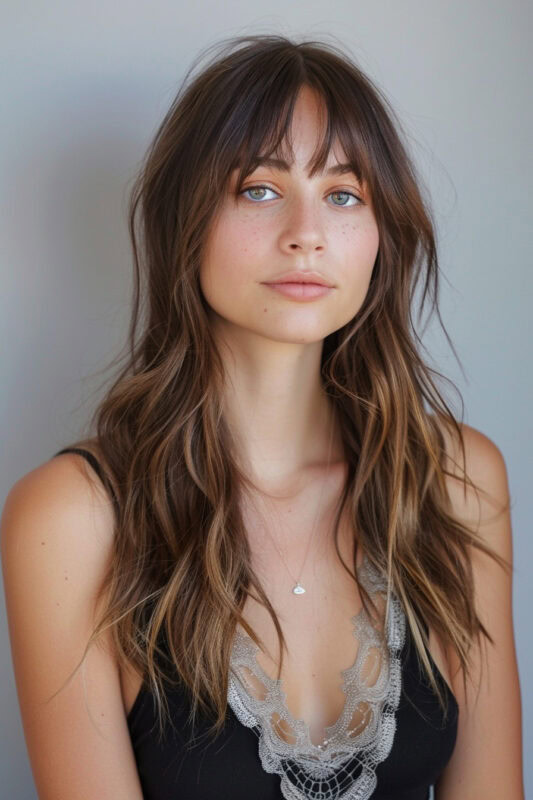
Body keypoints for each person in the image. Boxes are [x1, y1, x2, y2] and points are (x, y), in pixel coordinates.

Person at [0, 34, 524, 800]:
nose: (306, 233)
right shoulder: (71, 520)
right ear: (187, 218)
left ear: (382, 236)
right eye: (259, 188)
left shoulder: (456, 482)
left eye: (343, 194)